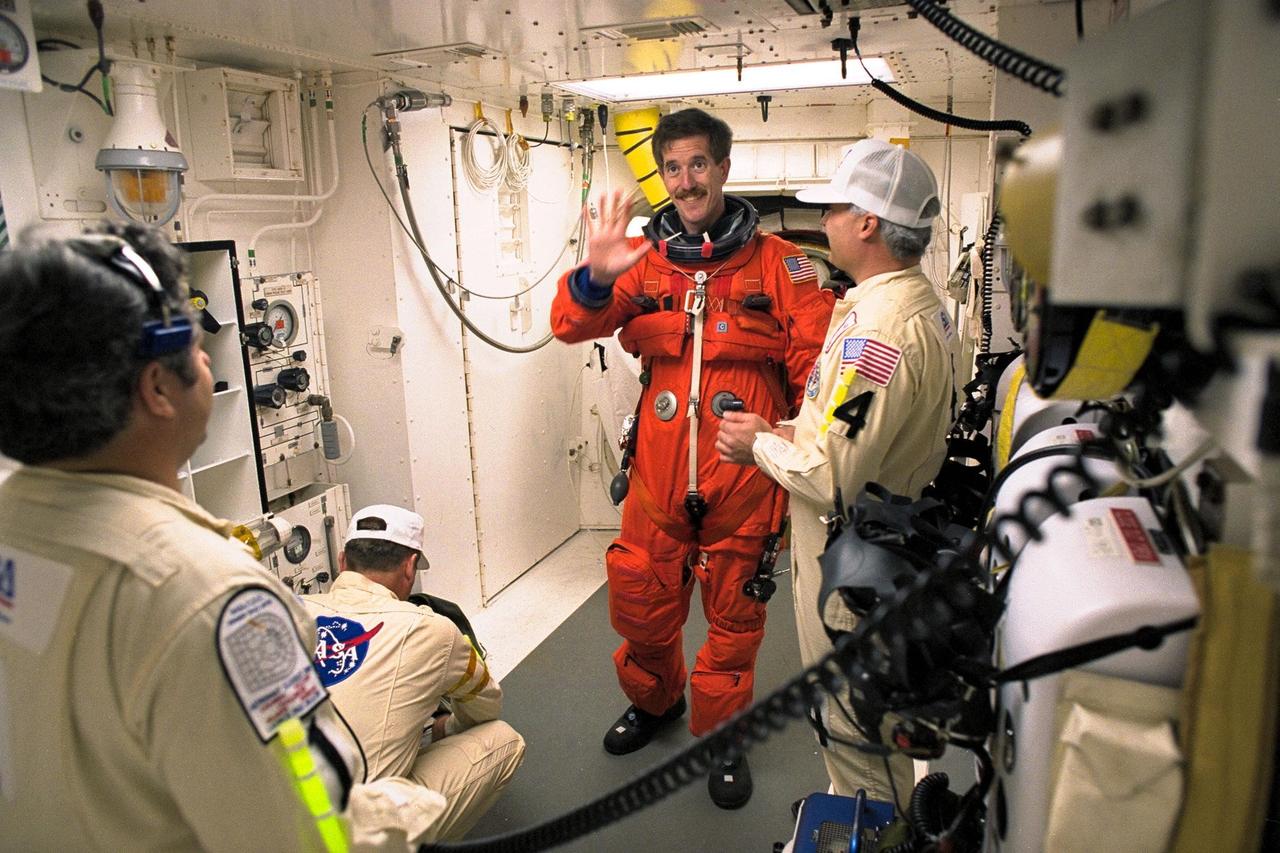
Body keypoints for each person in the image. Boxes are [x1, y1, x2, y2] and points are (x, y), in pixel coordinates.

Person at [0, 222, 445, 850]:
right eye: (194, 344)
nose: (209, 361)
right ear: (157, 387)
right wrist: (407, 813)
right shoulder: (217, 603)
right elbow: (315, 830)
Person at [550, 107, 832, 808]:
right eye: (672, 167)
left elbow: (817, 370)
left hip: (743, 485)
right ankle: (656, 703)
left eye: (697, 164)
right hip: (657, 485)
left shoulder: (779, 263)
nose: (685, 181)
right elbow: (568, 325)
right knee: (643, 609)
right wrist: (594, 273)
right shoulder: (642, 262)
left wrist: (791, 441)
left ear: (724, 168)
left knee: (733, 631)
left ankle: (723, 735)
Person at [716, 139, 958, 803]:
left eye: (834, 210)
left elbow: (831, 479)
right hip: (891, 541)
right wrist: (787, 428)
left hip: (850, 564)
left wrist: (756, 447)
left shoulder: (876, 334)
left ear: (868, 224)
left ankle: (868, 819)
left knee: (853, 725)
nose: (823, 222)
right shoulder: (920, 307)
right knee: (875, 716)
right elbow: (866, 430)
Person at [301, 504, 526, 840]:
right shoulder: (431, 629)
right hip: (351, 838)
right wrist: (444, 727)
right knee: (505, 739)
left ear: (342, 561)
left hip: (267, 822)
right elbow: (486, 708)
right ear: (409, 568)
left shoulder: (285, 609)